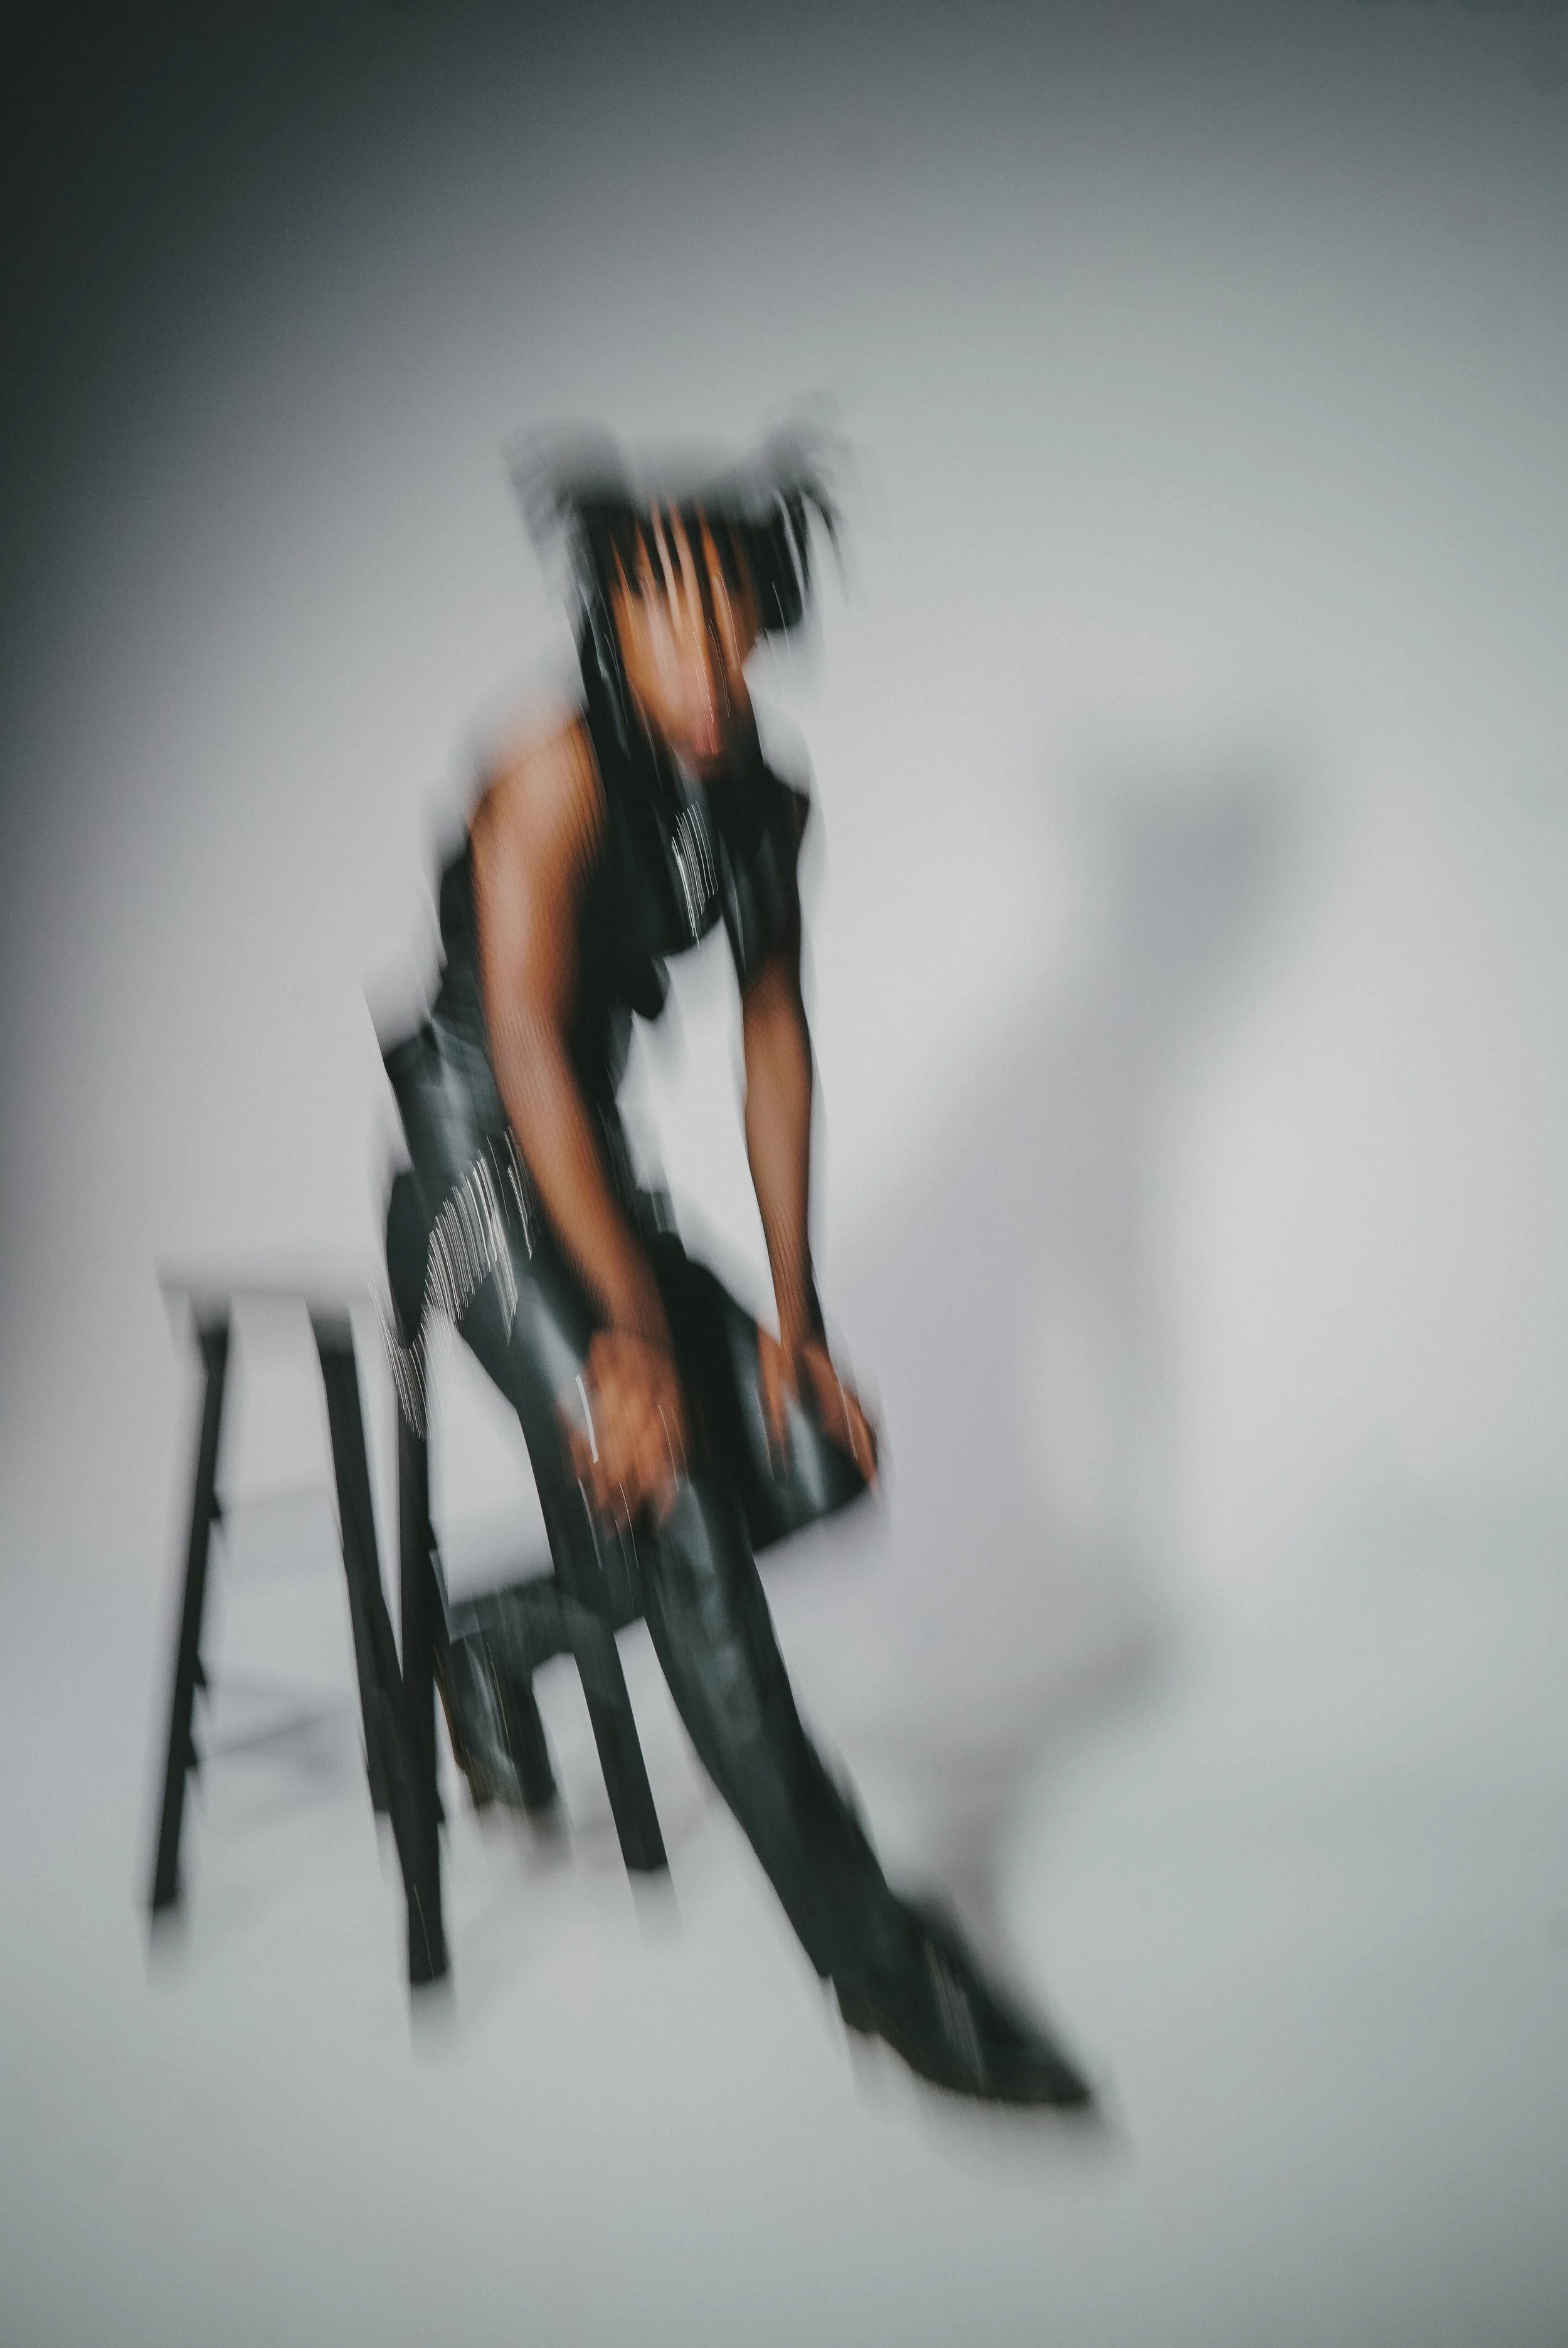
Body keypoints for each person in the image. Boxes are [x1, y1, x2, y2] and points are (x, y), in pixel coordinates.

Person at [382, 427, 1092, 2110]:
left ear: (768, 617)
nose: (704, 659)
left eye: (730, 621)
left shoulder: (762, 802)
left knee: (811, 1457)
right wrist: (631, 1344)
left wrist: (797, 1322)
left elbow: (778, 1042)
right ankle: (877, 1964)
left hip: (588, 1188)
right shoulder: (549, 769)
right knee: (688, 1505)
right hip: (464, 1196)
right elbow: (528, 1060)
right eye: (664, 621)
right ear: (607, 622)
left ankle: (490, 1635)